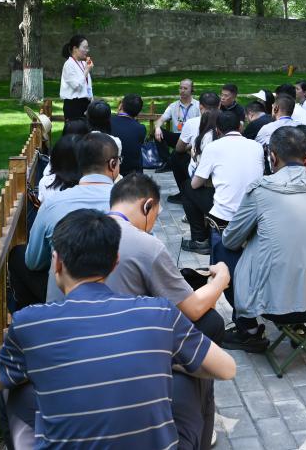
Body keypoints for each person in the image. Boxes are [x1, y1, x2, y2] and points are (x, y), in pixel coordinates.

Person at [0, 209, 236, 450]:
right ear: (114, 263)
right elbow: (226, 368)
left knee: (10, 383)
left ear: (57, 262)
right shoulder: (159, 313)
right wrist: (160, 358)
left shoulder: (29, 323)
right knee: (198, 372)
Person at [105, 175, 231, 450]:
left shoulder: (85, 234)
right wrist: (221, 279)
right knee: (210, 324)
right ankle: (196, 417)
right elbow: (193, 309)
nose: (152, 226)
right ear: (147, 206)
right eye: (155, 216)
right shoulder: (143, 244)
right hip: (129, 352)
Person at [221, 126, 306, 352]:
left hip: (275, 306)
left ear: (272, 157)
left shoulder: (260, 191)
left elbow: (230, 240)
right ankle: (300, 326)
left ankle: (248, 330)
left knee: (222, 247)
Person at [25, 133, 119, 301]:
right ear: (113, 163)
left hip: (64, 298)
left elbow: (33, 261)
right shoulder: (129, 202)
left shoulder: (52, 203)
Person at [189, 111, 264, 278]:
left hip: (224, 217)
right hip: (254, 214)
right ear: (240, 127)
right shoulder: (256, 146)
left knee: (188, 188)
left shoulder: (213, 147)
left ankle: (199, 238)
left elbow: (195, 183)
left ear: (217, 130)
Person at [169, 92, 220, 204]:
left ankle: (186, 194)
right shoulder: (227, 121)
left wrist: (193, 150)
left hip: (205, 170)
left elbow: (179, 148)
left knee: (176, 156)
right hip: (221, 167)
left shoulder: (193, 123)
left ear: (200, 107)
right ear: (219, 105)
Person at [153, 79, 199, 173]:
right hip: (178, 137)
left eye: (185, 88)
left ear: (192, 90)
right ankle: (167, 162)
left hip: (192, 138)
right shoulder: (173, 106)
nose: (182, 91)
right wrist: (157, 128)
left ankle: (172, 162)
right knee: (156, 132)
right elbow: (160, 120)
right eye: (180, 88)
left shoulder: (198, 105)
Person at [59, 34, 93, 121]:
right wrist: (86, 71)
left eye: (87, 48)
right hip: (73, 105)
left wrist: (91, 101)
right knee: (75, 129)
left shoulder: (83, 63)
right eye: (84, 48)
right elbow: (76, 86)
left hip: (86, 104)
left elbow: (87, 85)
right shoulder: (69, 64)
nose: (87, 50)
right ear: (75, 48)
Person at [112, 94, 146, 177]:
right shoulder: (140, 128)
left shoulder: (108, 121)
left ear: (121, 105)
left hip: (111, 170)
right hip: (133, 174)